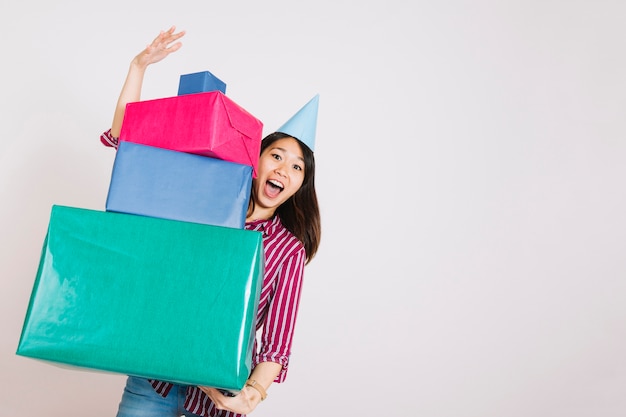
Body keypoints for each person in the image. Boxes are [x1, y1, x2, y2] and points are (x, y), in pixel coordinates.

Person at [100, 26, 321, 417]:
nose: (283, 169)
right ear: (255, 160)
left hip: (214, 402)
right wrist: (138, 67)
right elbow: (129, 143)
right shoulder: (202, 195)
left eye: (297, 167)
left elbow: (277, 342)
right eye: (277, 156)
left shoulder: (287, 249)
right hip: (153, 381)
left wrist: (252, 395)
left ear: (301, 184)